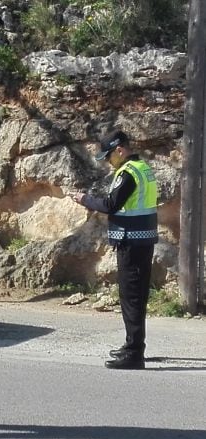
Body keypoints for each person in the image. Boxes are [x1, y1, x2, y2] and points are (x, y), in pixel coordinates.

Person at [71, 130, 158, 370]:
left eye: (109, 156)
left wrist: (84, 199)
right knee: (135, 296)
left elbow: (111, 205)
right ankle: (132, 345)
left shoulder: (128, 173)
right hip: (142, 239)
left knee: (131, 298)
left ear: (120, 150)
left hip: (132, 241)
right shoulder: (143, 168)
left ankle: (134, 353)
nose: (108, 161)